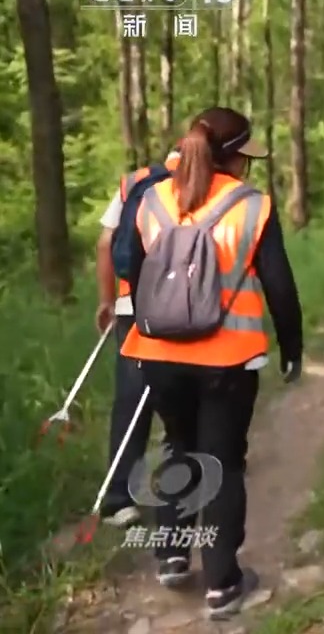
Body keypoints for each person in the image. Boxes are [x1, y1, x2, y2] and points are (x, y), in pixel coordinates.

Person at [118, 107, 305, 620]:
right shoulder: (252, 206)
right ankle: (223, 583)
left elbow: (134, 276)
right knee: (222, 462)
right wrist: (292, 348)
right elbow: (280, 287)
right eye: (247, 156)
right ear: (236, 158)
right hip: (228, 358)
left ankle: (172, 555)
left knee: (177, 448)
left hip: (156, 356)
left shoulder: (152, 199)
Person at [94, 149, 182, 528]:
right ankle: (193, 472)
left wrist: (106, 300)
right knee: (186, 393)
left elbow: (104, 244)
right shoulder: (211, 184)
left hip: (132, 308)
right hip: (185, 311)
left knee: (132, 400)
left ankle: (117, 500)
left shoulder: (135, 182)